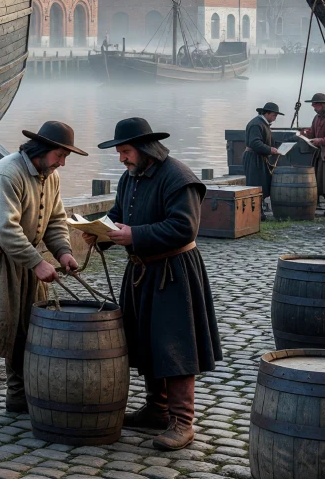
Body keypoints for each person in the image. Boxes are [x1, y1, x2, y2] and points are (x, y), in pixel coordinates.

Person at [92, 117, 220, 451]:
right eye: (120, 153)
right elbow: (120, 213)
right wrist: (98, 233)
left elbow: (184, 228)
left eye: (126, 151)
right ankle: (157, 409)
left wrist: (134, 235)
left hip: (174, 271)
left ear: (145, 148)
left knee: (174, 344)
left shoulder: (179, 178)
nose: (122, 158)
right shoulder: (129, 176)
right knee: (146, 339)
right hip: (142, 272)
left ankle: (182, 421)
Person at [0, 121, 83, 428]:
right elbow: (5, 229)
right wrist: (37, 262)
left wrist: (63, 253)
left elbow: (56, 219)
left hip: (24, 258)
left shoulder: (51, 176)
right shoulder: (5, 173)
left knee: (27, 326)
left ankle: (17, 395)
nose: (62, 162)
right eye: (60, 155)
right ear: (43, 150)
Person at [243, 102, 283, 217]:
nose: (275, 118)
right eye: (274, 115)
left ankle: (259, 211)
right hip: (253, 158)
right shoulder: (256, 124)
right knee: (255, 184)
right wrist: (270, 150)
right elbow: (255, 143)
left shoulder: (263, 124)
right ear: (267, 113)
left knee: (262, 184)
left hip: (259, 157)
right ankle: (255, 213)